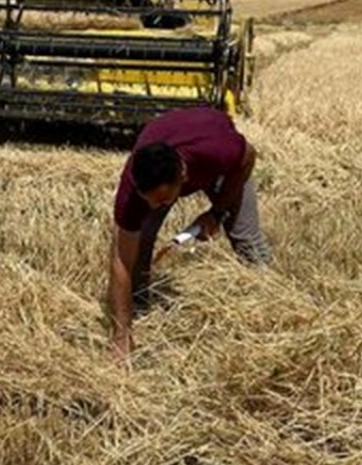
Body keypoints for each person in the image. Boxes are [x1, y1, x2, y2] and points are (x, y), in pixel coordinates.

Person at [107, 107, 272, 361]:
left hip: (220, 160)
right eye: (148, 199)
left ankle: (269, 310)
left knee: (246, 237)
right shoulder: (133, 190)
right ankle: (139, 308)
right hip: (176, 146)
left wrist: (217, 213)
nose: (154, 206)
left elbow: (248, 157)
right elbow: (120, 260)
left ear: (183, 177)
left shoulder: (219, 151)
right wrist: (120, 335)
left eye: (162, 200)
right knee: (141, 238)